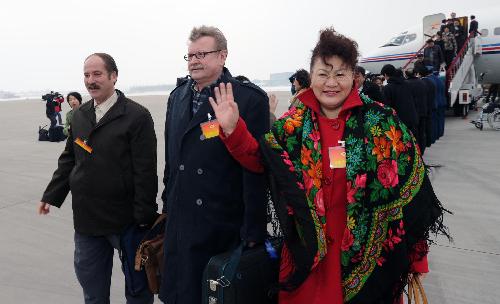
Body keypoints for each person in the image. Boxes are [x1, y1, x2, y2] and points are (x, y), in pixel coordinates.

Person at [209, 27, 448, 304]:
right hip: (309, 263)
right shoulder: (293, 125)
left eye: (340, 74)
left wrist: (417, 261)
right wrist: (233, 129)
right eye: (323, 74)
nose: (331, 82)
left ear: (354, 77)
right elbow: (261, 160)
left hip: (373, 266)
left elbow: (412, 196)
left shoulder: (382, 122)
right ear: (311, 77)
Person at [159, 25, 269, 304]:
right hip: (180, 221)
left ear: (222, 56)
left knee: (214, 295)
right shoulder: (177, 97)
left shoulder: (248, 98)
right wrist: (167, 206)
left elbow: (256, 169)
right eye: (190, 55)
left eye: (202, 54)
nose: (194, 60)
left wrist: (253, 229)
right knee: (178, 293)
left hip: (221, 224)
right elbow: (173, 161)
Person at [38, 53, 158, 304]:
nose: (90, 80)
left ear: (114, 76)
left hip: (126, 221)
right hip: (87, 221)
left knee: (138, 291)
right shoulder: (80, 115)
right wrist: (51, 195)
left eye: (97, 74)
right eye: (86, 75)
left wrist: (143, 219)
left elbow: (145, 171)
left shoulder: (136, 116)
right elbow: (70, 159)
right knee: (93, 293)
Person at [381, 64, 419, 136]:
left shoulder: (388, 88)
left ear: (385, 74)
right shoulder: (407, 83)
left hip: (399, 122)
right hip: (412, 119)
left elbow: (386, 107)